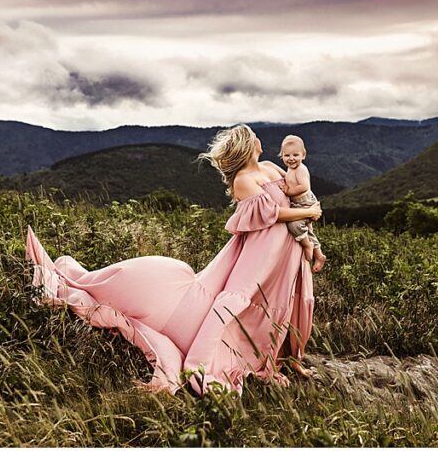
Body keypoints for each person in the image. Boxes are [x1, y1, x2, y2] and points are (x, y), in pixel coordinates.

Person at [25, 124, 322, 395]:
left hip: (287, 248)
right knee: (247, 302)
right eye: (251, 134)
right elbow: (272, 215)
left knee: (287, 301)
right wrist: (308, 214)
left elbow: (298, 193)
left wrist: (310, 231)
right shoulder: (244, 180)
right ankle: (247, 356)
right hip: (260, 252)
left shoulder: (271, 166)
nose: (258, 137)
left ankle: (287, 357)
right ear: (246, 145)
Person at [278, 135, 327, 273]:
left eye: (295, 155)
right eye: (287, 155)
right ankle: (319, 255)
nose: (291, 158)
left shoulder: (300, 169)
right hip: (298, 204)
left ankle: (307, 245)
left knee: (294, 225)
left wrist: (288, 191)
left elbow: (304, 187)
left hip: (305, 203)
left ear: (303, 155)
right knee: (307, 231)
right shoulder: (290, 168)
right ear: (282, 156)